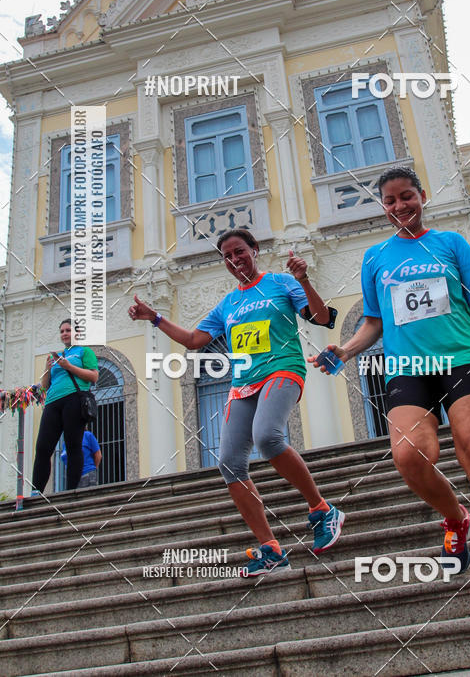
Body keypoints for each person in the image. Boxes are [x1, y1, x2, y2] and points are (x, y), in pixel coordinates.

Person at [311, 166, 470, 613]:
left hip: (462, 359)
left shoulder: (451, 243)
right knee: (410, 456)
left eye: (406, 196)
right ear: (384, 208)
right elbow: (374, 321)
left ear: (422, 195)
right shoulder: (375, 257)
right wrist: (347, 350)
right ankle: (456, 516)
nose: (400, 206)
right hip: (408, 366)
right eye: (390, 201)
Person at [128, 229, 344, 575]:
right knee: (229, 463)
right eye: (227, 256)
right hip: (244, 382)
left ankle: (321, 509)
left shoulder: (280, 282)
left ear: (254, 250)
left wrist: (303, 281)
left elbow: (320, 318)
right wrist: (154, 317)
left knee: (267, 437)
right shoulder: (228, 304)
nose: (234, 260)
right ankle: (270, 549)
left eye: (240, 252)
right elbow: (195, 340)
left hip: (282, 370)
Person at [32, 319, 99, 493]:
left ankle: (71, 491)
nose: (64, 334)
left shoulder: (84, 351)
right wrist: (47, 368)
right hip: (53, 402)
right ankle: (36, 491)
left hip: (74, 399)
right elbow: (45, 385)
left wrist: (68, 366)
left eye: (68, 330)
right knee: (42, 448)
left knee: (73, 445)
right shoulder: (55, 356)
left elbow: (93, 377)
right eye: (62, 331)